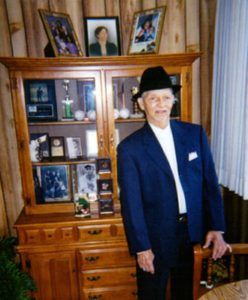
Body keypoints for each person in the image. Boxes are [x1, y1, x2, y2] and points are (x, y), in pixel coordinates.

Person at [117, 66, 232, 300]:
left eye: (167, 97)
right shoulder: (130, 148)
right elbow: (132, 204)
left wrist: (216, 228)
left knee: (187, 295)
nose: (161, 104)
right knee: (152, 296)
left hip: (192, 234)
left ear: (173, 100)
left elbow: (210, 184)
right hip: (154, 240)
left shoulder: (194, 134)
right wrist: (142, 247)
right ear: (141, 103)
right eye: (153, 98)